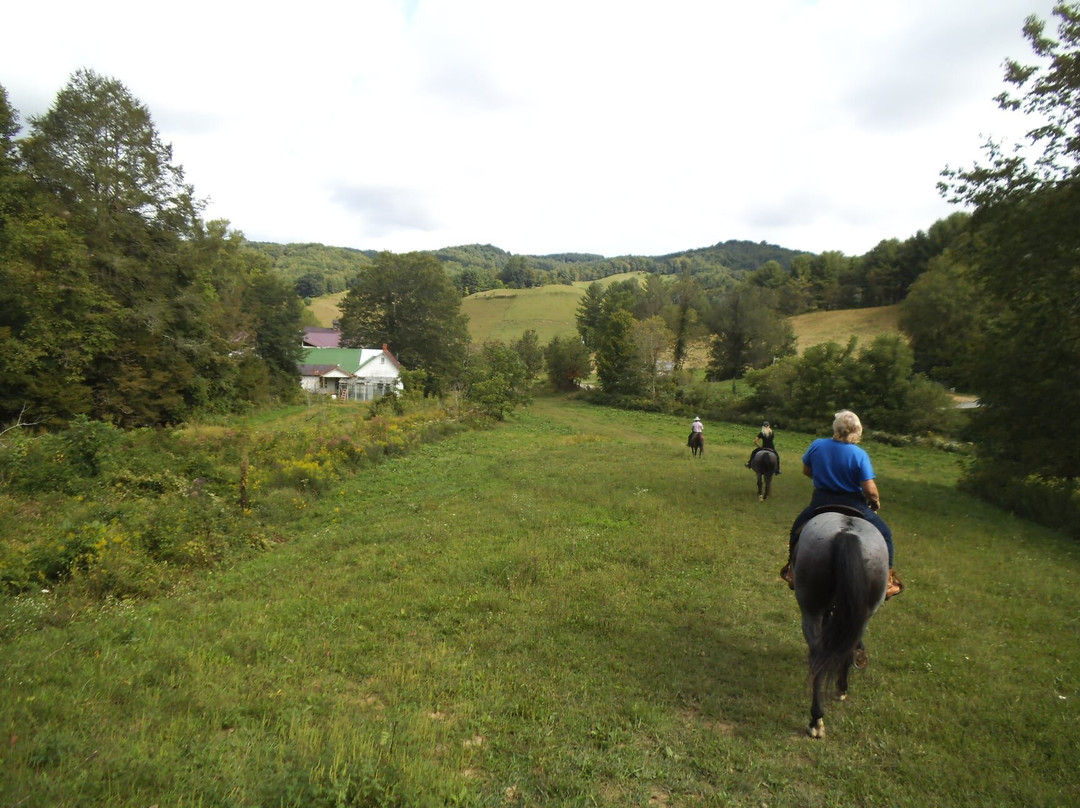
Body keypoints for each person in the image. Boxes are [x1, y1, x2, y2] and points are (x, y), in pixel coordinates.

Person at [780, 410, 903, 599]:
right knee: (885, 534)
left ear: (836, 428)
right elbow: (870, 490)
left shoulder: (817, 445)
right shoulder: (859, 454)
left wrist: (824, 478)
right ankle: (887, 581)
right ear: (857, 431)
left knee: (797, 529)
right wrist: (874, 501)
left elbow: (806, 470)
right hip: (853, 503)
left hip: (821, 501)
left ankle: (792, 570)